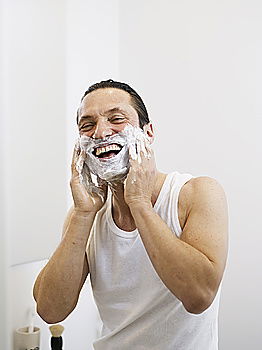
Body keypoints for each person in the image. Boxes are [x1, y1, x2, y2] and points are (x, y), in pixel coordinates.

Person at [33, 79, 228, 349]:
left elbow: (199, 297)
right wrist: (82, 214)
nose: (100, 132)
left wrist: (138, 202)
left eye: (116, 118)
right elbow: (49, 311)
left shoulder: (196, 193)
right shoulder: (85, 217)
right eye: (87, 125)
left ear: (148, 133)